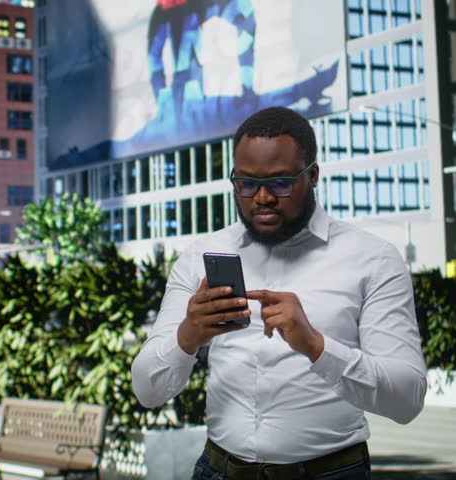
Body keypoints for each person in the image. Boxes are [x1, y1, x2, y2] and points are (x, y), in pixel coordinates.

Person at [131, 106, 427, 479]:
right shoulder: (200, 257)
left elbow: (407, 400)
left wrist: (317, 347)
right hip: (218, 470)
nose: (262, 198)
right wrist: (187, 336)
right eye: (247, 183)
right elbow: (147, 390)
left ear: (314, 175)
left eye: (281, 183)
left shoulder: (373, 259)